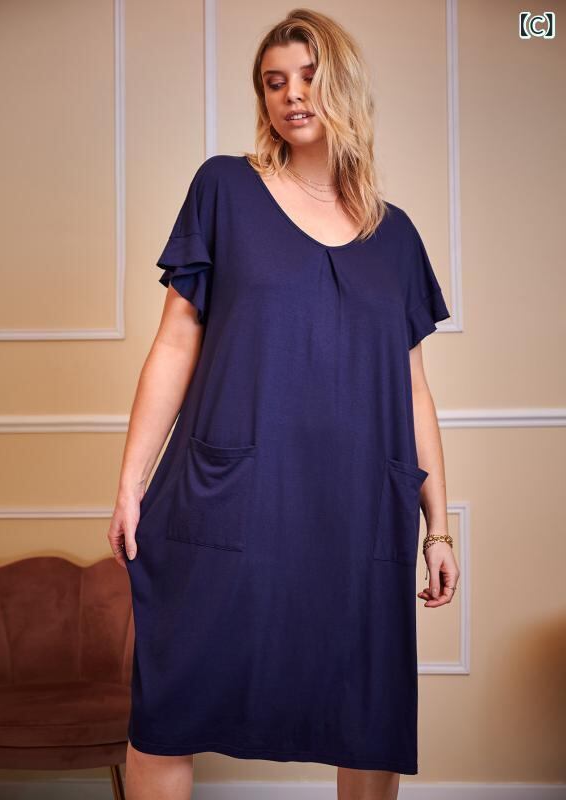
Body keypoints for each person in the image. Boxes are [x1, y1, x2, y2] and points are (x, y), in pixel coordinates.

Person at [107, 8, 460, 800]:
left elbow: (413, 389)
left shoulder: (397, 238)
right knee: (169, 703)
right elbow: (176, 343)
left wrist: (439, 527)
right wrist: (130, 483)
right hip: (233, 498)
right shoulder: (224, 189)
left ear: (344, 87)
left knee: (367, 712)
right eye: (274, 82)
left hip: (360, 512)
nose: (291, 94)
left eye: (308, 77)